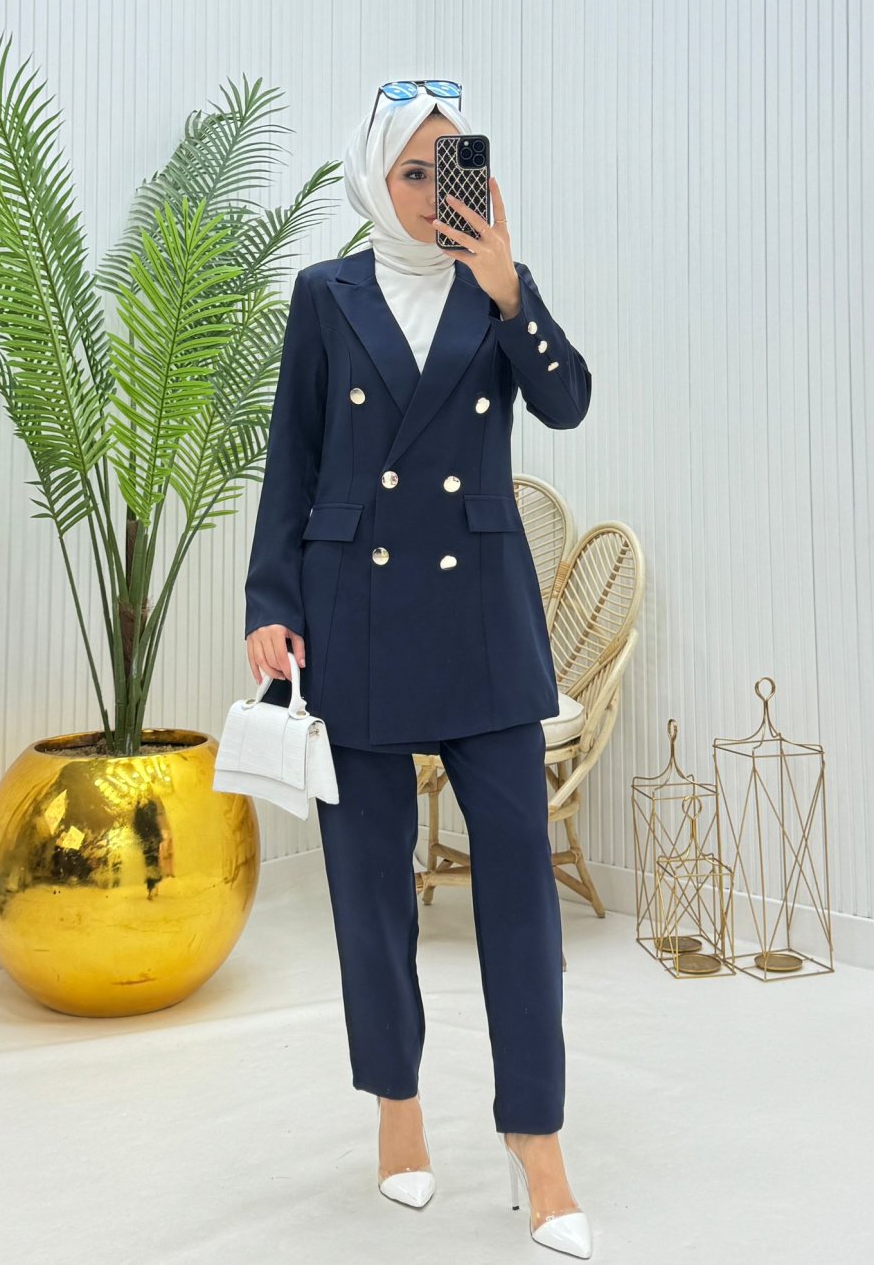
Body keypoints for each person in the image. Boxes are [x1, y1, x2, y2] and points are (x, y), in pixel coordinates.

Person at [243, 80, 594, 1259]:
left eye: (455, 169)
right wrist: (270, 604)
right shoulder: (325, 293)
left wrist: (510, 290)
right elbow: (292, 459)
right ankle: (397, 1104)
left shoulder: (497, 287)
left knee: (520, 886)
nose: (437, 192)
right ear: (374, 178)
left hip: (482, 617)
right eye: (414, 171)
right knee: (370, 888)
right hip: (354, 613)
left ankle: (536, 1136)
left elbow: (565, 401)